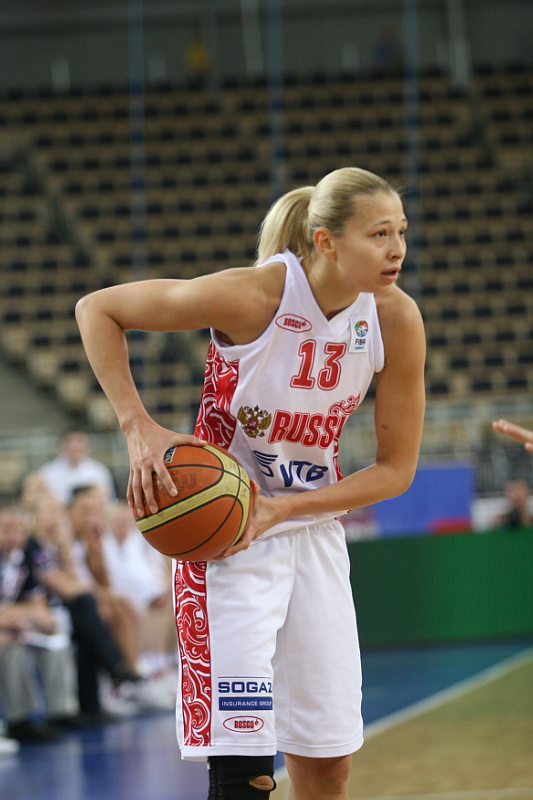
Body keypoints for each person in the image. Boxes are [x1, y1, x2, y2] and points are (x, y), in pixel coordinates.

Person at [75, 166, 426, 800]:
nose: (397, 248)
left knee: (327, 767)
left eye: (401, 231)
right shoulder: (256, 296)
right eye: (379, 234)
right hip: (226, 541)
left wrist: (289, 508)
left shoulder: (396, 318)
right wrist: (137, 428)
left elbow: (396, 470)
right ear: (326, 242)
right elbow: (98, 308)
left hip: (311, 536)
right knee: (247, 775)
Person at [0, 505, 79, 741]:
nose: (14, 536)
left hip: (14, 621)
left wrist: (28, 616)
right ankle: (19, 720)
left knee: (54, 629)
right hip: (5, 626)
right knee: (11, 645)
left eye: (19, 530)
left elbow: (36, 603)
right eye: (7, 529)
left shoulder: (22, 556)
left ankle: (61, 710)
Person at [38, 430, 116, 506]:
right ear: (60, 445)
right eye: (69, 441)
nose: (74, 446)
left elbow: (110, 501)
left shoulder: (99, 471)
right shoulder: (46, 473)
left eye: (79, 441)